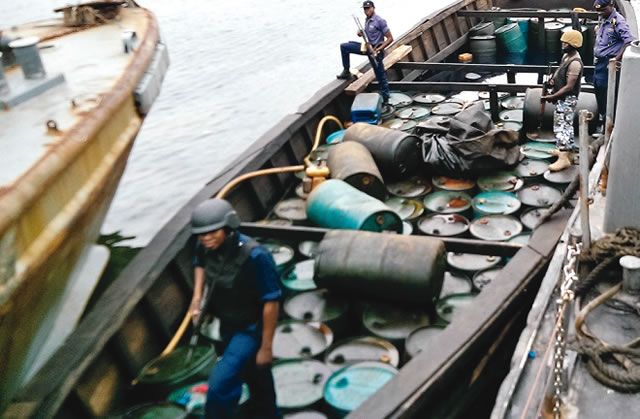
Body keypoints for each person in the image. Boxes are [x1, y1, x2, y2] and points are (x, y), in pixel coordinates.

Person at [190, 198, 281, 419]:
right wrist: (197, 298)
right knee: (257, 375)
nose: (206, 238)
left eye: (212, 232)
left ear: (228, 227)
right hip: (226, 322)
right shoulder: (205, 246)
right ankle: (268, 414)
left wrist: (266, 347)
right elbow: (199, 264)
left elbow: (271, 302)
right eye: (202, 234)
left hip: (250, 328)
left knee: (220, 386)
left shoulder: (256, 256)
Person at [541, 29, 584, 172]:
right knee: (563, 123)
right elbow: (560, 72)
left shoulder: (575, 63)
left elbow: (569, 87)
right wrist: (552, 82)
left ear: (573, 44)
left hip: (567, 99)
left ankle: (564, 158)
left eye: (566, 42)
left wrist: (553, 96)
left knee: (563, 125)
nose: (563, 44)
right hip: (562, 97)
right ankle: (567, 151)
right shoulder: (566, 56)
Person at [337, 1, 393, 106]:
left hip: (376, 51)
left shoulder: (380, 21)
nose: (366, 11)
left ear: (373, 8)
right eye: (365, 9)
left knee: (380, 75)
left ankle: (386, 99)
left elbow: (390, 39)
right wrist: (361, 33)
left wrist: (378, 49)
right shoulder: (367, 20)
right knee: (344, 47)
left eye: (368, 8)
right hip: (367, 47)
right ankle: (346, 71)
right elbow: (367, 35)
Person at [593, 0, 635, 119]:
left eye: (603, 10)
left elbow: (629, 41)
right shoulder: (603, 19)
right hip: (599, 63)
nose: (601, 13)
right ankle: (603, 119)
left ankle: (609, 121)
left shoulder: (617, 21)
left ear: (611, 5)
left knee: (607, 93)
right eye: (599, 11)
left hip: (609, 63)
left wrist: (616, 59)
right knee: (598, 88)